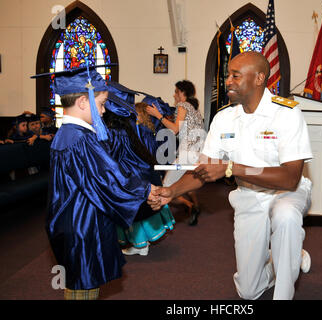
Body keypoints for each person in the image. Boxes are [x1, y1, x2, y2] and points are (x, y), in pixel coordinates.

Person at [149, 52, 313, 300]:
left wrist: (232, 168)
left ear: (259, 78)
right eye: (228, 75)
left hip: (286, 193)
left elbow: (290, 178)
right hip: (248, 196)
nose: (228, 81)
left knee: (286, 216)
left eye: (236, 75)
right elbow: (203, 170)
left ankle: (284, 288)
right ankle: (289, 257)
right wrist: (171, 192)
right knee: (248, 291)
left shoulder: (287, 114)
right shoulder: (224, 118)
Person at [31, 64, 158, 300]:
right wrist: (147, 189)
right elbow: (107, 179)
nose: (102, 112)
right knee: (83, 289)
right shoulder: (80, 139)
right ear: (82, 102)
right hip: (82, 225)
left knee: (81, 285)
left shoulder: (65, 134)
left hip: (73, 221)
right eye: (101, 104)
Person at [104, 82, 175, 256]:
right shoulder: (130, 127)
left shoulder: (115, 131)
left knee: (133, 212)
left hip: (132, 176)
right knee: (140, 212)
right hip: (144, 172)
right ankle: (140, 244)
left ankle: (139, 245)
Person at [146, 80, 204, 225]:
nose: (174, 94)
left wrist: (158, 115)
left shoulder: (182, 105)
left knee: (165, 187)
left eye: (176, 91)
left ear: (182, 93)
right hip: (198, 153)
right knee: (187, 182)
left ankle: (185, 208)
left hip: (187, 153)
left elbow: (174, 129)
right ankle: (195, 206)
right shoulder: (195, 109)